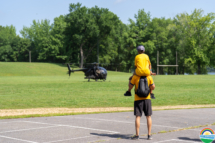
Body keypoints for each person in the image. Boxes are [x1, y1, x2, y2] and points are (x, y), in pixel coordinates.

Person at [129, 74, 155, 140]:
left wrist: (130, 79)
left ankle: (137, 135)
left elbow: (130, 86)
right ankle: (149, 135)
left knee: (138, 116)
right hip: (147, 99)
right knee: (148, 116)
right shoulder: (149, 77)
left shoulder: (135, 76)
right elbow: (153, 87)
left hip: (138, 99)